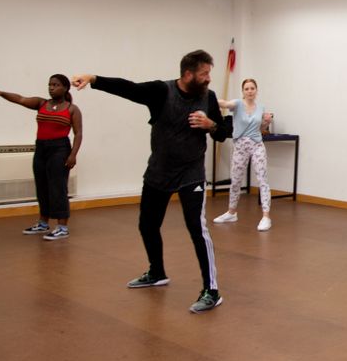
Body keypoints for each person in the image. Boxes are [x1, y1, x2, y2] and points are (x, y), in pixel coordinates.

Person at [71, 50, 231, 314]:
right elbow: (129, 88)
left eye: (209, 73)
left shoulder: (209, 97)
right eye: (204, 74)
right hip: (159, 171)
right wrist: (93, 79)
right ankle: (157, 272)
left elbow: (224, 133)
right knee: (147, 224)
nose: (208, 79)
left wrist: (210, 124)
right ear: (188, 74)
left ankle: (211, 290)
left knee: (196, 228)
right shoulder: (161, 92)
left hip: (191, 174)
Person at [0, 74, 82, 241]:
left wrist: (73, 155)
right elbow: (20, 99)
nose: (51, 87)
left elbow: (78, 133)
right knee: (42, 186)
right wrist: (2, 93)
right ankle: (43, 223)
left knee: (58, 187)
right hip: (41, 148)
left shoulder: (72, 109)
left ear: (65, 88)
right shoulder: (42, 103)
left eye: (56, 85)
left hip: (60, 149)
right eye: (50, 84)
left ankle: (62, 226)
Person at [212, 78, 274, 231]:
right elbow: (225, 104)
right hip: (240, 145)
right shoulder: (238, 104)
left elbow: (261, 129)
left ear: (256, 90)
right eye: (247, 89)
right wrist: (209, 97)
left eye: (252, 88)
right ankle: (231, 212)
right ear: (243, 92)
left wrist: (266, 122)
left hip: (257, 144)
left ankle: (266, 216)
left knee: (262, 179)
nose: (250, 91)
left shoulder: (261, 107)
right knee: (236, 180)